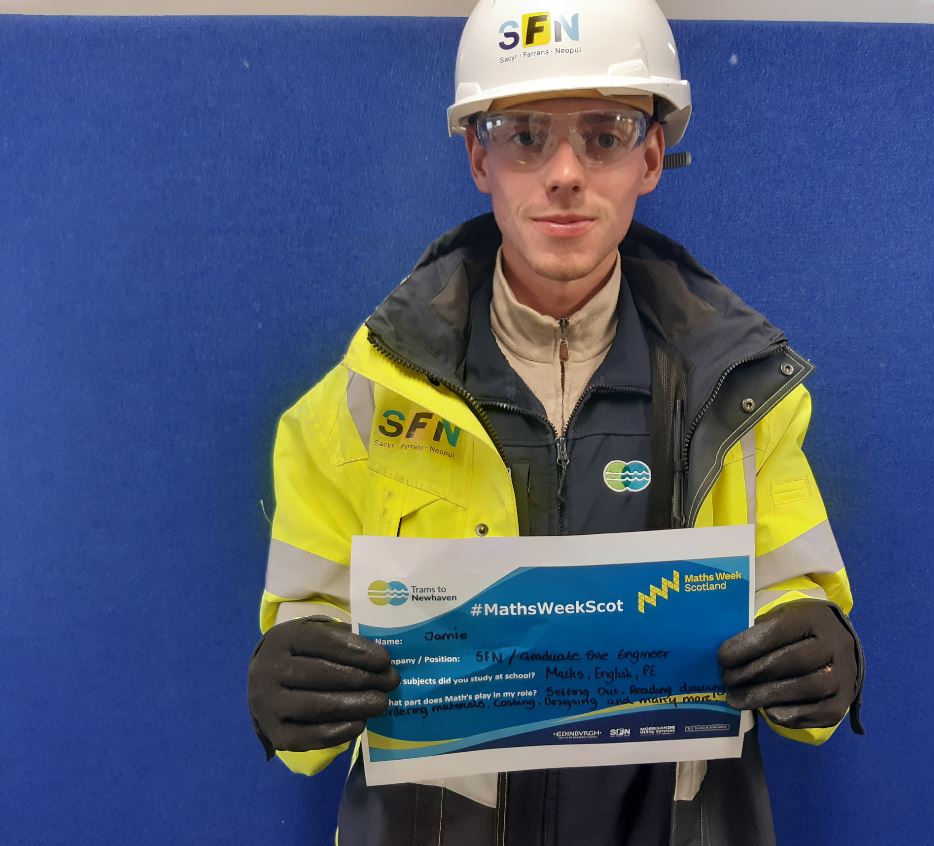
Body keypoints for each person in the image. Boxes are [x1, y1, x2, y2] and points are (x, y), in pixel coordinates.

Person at [247, 1, 865, 843]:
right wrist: (291, 676)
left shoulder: (743, 398)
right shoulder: (356, 404)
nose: (565, 172)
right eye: (525, 135)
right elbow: (307, 618)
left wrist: (822, 654)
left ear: (650, 157)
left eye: (605, 134)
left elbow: (794, 597)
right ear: (478, 157)